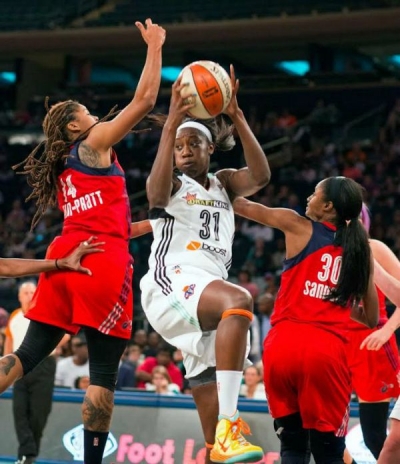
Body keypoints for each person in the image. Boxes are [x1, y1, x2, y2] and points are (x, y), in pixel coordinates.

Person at [0, 18, 166, 464]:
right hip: (101, 263)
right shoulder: (93, 143)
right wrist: (155, 47)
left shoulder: (68, 167)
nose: (97, 117)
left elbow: (103, 222)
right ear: (76, 128)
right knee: (105, 372)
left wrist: (152, 225)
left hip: (66, 253)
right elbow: (145, 99)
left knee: (28, 352)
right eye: (88, 115)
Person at [140, 65, 271, 464]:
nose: (184, 152)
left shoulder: (224, 182)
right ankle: (231, 421)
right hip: (171, 283)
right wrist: (171, 126)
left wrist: (237, 117)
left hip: (204, 293)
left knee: (217, 446)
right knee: (240, 300)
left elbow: (262, 176)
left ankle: (220, 438)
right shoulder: (175, 183)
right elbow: (156, 194)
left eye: (192, 145)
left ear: (210, 148)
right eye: (179, 147)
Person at [233, 176, 378, 464]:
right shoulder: (360, 252)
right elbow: (371, 318)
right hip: (326, 353)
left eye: (314, 194)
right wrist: (331, 304)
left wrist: (215, 182)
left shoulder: (297, 225)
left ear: (327, 206)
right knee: (329, 453)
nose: (308, 199)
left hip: (282, 346)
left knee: (293, 447)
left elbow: (244, 207)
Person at [344, 204, 400, 464]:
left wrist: (386, 331)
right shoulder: (321, 250)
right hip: (336, 343)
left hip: (371, 342)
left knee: (375, 436)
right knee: (321, 428)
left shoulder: (373, 248)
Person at [5, 282, 54, 464]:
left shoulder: (45, 312)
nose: (28, 295)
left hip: (44, 363)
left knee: (39, 413)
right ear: (19, 297)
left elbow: (65, 335)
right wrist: (5, 362)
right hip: (19, 364)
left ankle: (28, 455)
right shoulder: (16, 316)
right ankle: (26, 454)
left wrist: (49, 349)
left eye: (31, 292)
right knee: (20, 411)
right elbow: (9, 340)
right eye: (25, 292)